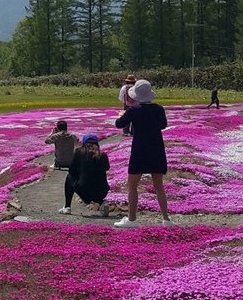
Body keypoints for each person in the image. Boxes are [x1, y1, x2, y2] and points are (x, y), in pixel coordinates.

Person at [113, 79, 174, 228]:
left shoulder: (134, 110)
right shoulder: (159, 109)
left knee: (132, 185)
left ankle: (132, 219)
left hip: (140, 149)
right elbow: (163, 125)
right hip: (157, 149)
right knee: (159, 186)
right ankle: (166, 219)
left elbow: (119, 124)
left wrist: (122, 114)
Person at [58, 133, 111, 217]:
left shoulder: (79, 152)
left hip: (85, 192)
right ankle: (102, 203)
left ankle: (67, 207)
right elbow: (107, 167)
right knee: (95, 183)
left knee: (69, 177)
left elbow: (71, 170)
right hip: (102, 191)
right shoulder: (103, 154)